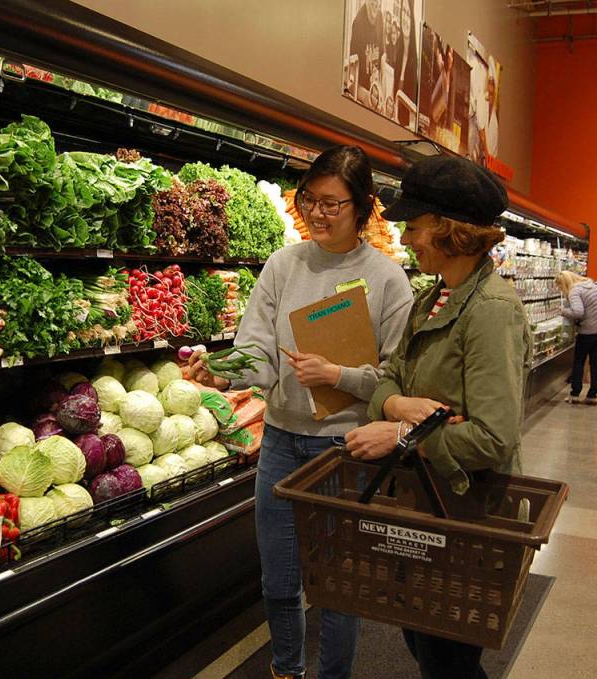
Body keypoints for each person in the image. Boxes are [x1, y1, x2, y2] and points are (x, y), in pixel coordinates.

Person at [187, 145, 413, 679]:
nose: (317, 213)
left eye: (333, 204)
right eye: (310, 200)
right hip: (283, 440)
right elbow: (258, 347)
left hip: (345, 448)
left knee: (337, 584)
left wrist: (339, 376)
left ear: (364, 207)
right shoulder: (282, 264)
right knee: (279, 578)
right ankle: (286, 668)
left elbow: (400, 378)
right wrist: (224, 372)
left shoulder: (387, 280)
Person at [344, 154, 530, 679]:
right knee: (425, 642)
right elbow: (388, 379)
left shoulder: (490, 310)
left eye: (415, 226)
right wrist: (398, 405)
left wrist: (401, 435)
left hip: (469, 512)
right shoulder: (432, 298)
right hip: (428, 504)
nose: (405, 239)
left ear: (451, 231)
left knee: (449, 658)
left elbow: (494, 438)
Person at [557, 270, 597, 404]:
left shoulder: (574, 291)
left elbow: (578, 312)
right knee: (595, 361)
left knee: (579, 361)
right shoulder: (592, 284)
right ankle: (592, 395)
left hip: (589, 330)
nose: (561, 289)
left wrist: (563, 311)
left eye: (560, 286)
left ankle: (575, 394)